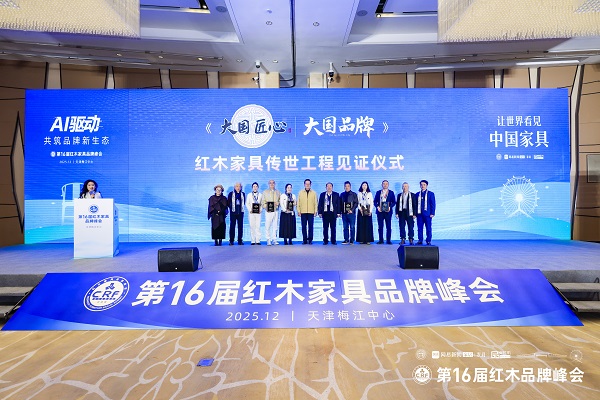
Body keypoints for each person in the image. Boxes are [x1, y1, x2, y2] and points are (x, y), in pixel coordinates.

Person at [374, 180, 396, 244]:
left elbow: (394, 202)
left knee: (388, 226)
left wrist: (390, 207)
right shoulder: (378, 192)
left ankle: (388, 240)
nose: (385, 185)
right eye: (384, 184)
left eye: (386, 184)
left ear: (388, 185)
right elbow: (375, 201)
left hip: (388, 212)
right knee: (380, 226)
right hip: (380, 211)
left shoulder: (391, 192)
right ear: (382, 185)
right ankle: (381, 240)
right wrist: (377, 207)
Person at [297, 178, 318, 245]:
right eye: (306, 184)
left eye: (309, 184)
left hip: (311, 212)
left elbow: (316, 203)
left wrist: (315, 211)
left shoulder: (314, 193)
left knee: (311, 226)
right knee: (303, 226)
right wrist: (298, 211)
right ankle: (304, 240)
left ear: (310, 185)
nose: (307, 185)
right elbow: (298, 202)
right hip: (303, 212)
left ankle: (310, 240)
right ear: (304, 184)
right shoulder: (300, 192)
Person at [416, 180, 436, 245]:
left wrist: (432, 213)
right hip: (419, 214)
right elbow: (415, 205)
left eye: (424, 185)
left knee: (428, 228)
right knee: (419, 228)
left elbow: (433, 204)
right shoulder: (417, 194)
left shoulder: (431, 194)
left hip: (428, 214)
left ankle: (428, 240)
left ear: (426, 185)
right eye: (421, 185)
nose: (422, 186)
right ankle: (420, 240)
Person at [262, 179, 281, 246]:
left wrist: (278, 203)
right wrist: (266, 207)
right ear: (268, 184)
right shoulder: (265, 192)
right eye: (270, 183)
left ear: (275, 184)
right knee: (268, 225)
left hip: (276, 210)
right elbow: (263, 202)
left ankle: (274, 239)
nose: (272, 184)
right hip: (268, 211)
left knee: (275, 225)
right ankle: (268, 239)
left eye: (273, 183)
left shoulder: (278, 192)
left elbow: (280, 200)